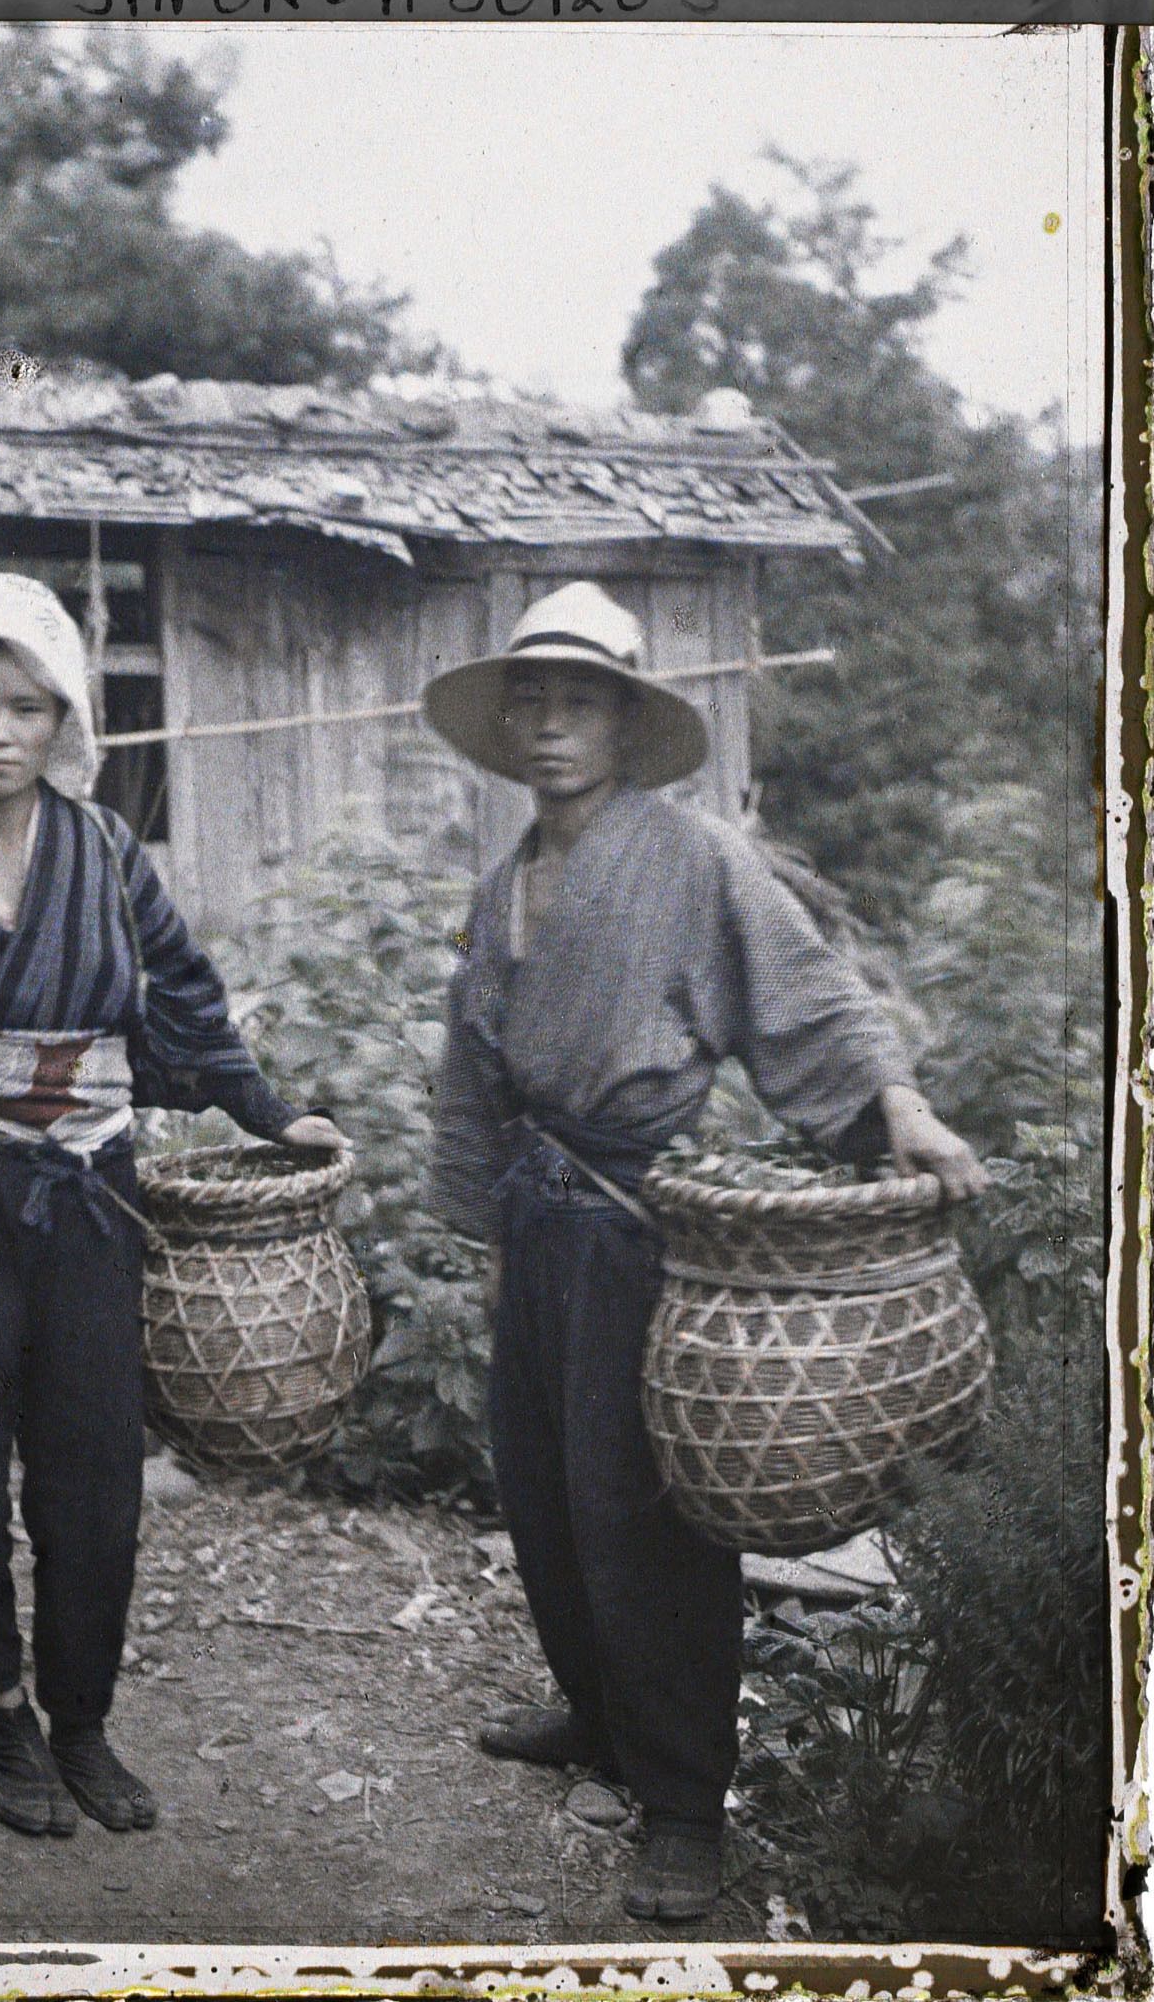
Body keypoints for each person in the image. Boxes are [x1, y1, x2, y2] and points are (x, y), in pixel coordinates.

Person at [423, 581, 986, 1924]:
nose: (552, 725)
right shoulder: (504, 883)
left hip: (631, 1224)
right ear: (507, 726)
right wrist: (483, 1231)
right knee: (544, 1486)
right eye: (533, 700)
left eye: (581, 701)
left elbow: (802, 991)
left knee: (642, 1506)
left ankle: (682, 1802)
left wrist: (891, 1105)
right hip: (532, 1215)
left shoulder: (685, 859)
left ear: (624, 722)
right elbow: (467, 1076)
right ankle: (596, 1718)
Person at [0, 572, 345, 1840]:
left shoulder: (105, 854)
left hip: (92, 1190)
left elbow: (185, 999)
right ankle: (0, 1713)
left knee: (94, 1471)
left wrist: (263, 1109)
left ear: (62, 721)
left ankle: (82, 1716)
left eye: (26, 707)